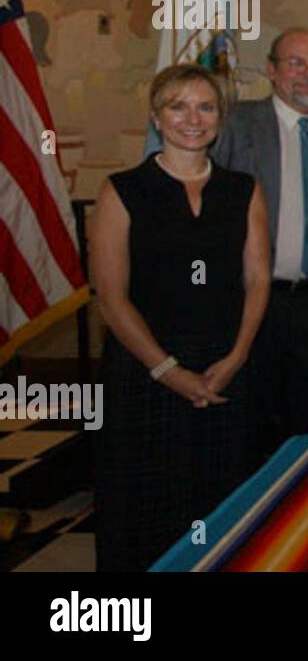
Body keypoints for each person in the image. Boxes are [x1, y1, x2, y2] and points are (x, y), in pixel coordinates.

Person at [89, 64, 270, 571]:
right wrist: (168, 371)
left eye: (205, 106)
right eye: (178, 106)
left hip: (225, 368)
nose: (193, 118)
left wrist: (236, 356)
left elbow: (257, 279)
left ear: (221, 116)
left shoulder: (243, 189)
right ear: (157, 115)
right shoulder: (122, 190)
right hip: (145, 372)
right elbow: (111, 296)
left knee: (223, 505)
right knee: (147, 506)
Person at [211, 28, 308, 452]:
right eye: (296, 62)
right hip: (253, 300)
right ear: (272, 70)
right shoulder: (235, 123)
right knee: (251, 421)